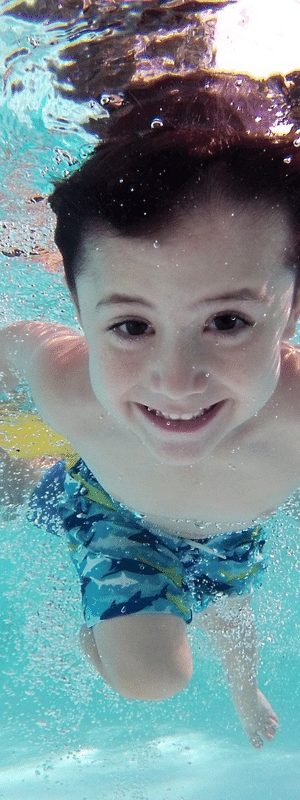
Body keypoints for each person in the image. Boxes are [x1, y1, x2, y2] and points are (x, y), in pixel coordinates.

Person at [3, 74, 300, 749]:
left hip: (229, 536)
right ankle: (25, 484)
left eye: (227, 320)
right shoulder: (67, 382)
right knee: (151, 677)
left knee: (232, 615)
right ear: (80, 315)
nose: (177, 383)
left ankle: (243, 689)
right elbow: (11, 351)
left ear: (291, 308)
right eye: (132, 327)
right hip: (113, 513)